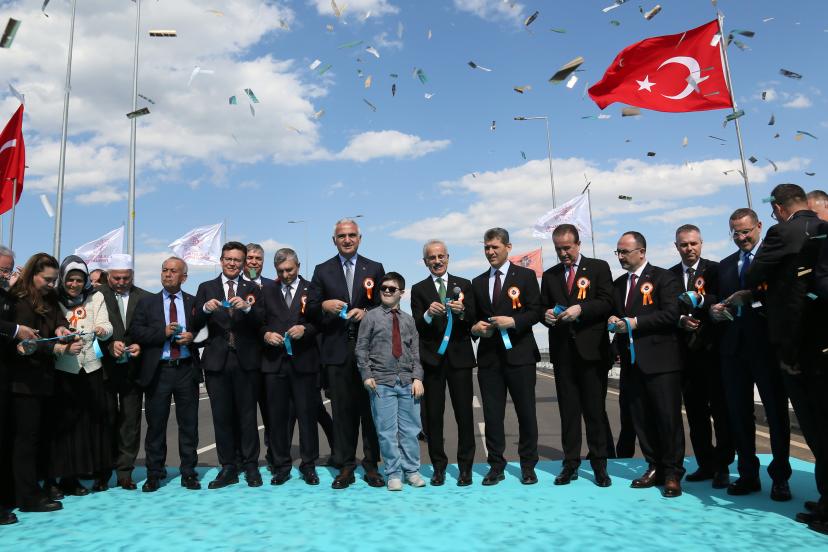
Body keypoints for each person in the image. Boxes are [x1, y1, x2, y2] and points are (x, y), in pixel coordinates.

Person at [745, 184, 828, 526]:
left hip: (797, 345)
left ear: (779, 208)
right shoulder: (822, 230)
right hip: (821, 340)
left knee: (816, 428)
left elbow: (754, 274)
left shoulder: (782, 232)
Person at [709, 207, 792, 501]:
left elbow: (785, 296)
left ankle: (780, 478)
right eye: (735, 233)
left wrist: (755, 298)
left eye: (745, 231)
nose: (741, 237)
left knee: (776, 415)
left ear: (759, 226)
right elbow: (718, 299)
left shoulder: (775, 259)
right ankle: (748, 474)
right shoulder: (725, 266)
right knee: (739, 415)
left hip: (767, 349)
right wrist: (715, 310)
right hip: (733, 351)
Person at [306, 218, 384, 489]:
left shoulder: (374, 268)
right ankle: (346, 465)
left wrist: (367, 311)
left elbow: (385, 303)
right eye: (342, 236)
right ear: (334, 240)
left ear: (359, 238)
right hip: (336, 351)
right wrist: (324, 305)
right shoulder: (322, 270)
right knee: (342, 413)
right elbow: (310, 308)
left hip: (369, 352)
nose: (347, 240)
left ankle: (372, 465)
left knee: (370, 412)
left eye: (352, 235)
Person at [608, 231, 685, 498]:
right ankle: (654, 466)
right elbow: (619, 316)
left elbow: (671, 314)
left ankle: (673, 472)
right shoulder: (619, 285)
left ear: (641, 252)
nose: (620, 256)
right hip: (632, 364)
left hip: (661, 362)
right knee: (641, 419)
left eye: (625, 252)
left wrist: (636, 323)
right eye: (618, 252)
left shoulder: (664, 278)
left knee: (668, 419)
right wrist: (614, 322)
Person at [540, 224, 613, 487]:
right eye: (558, 249)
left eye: (567, 248)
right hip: (563, 355)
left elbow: (607, 302)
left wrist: (581, 309)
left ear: (578, 244)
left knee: (595, 412)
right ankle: (570, 463)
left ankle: (599, 465)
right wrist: (546, 316)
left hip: (592, 353)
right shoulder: (550, 275)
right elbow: (542, 308)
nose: (563, 254)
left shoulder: (598, 267)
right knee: (568, 414)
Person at [470, 228, 542, 486]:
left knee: (526, 413)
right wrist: (475, 328)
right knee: (492, 416)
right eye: (487, 248)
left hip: (520, 356)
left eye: (495, 247)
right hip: (490, 360)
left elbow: (536, 311)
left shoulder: (525, 276)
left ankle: (528, 466)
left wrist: (513, 321)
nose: (490, 252)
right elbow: (472, 318)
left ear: (508, 247)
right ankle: (496, 466)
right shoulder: (477, 282)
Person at [193, 242, 264, 489]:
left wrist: (248, 308)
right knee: (221, 417)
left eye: (237, 260)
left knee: (247, 416)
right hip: (217, 361)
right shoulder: (206, 288)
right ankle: (228, 467)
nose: (232, 263)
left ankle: (251, 465)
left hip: (246, 360)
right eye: (228, 259)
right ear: (221, 260)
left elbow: (262, 321)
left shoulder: (253, 288)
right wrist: (204, 309)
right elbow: (195, 324)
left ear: (243, 263)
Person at [129, 257, 203, 492]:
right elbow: (136, 332)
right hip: (159, 371)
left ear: (184, 277)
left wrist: (193, 337)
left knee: (189, 425)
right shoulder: (147, 303)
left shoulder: (193, 302)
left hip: (186, 369)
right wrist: (162, 332)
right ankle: (154, 473)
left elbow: (207, 330)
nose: (167, 274)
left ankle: (189, 472)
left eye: (173, 271)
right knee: (156, 425)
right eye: (164, 270)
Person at [669, 225, 733, 488]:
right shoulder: (669, 276)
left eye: (693, 243)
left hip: (713, 354)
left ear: (701, 243)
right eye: (684, 244)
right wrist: (680, 320)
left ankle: (723, 466)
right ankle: (705, 464)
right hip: (685, 357)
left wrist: (701, 301)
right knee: (695, 416)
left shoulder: (715, 270)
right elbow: (667, 308)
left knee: (721, 413)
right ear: (676, 247)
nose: (689, 249)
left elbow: (723, 299)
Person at [410, 239, 476, 487]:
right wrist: (428, 314)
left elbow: (473, 319)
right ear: (425, 261)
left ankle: (466, 468)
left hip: (460, 359)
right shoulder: (418, 289)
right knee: (433, 417)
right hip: (432, 361)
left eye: (441, 256)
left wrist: (462, 311)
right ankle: (439, 467)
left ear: (448, 257)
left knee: (464, 415)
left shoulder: (465, 285)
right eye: (432, 258)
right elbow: (417, 325)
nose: (437, 261)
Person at [8, 253, 71, 512]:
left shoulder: (50, 297)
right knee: (25, 441)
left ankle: (35, 487)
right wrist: (54, 348)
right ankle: (27, 496)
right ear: (33, 274)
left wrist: (61, 329)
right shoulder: (18, 299)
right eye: (47, 279)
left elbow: (57, 320)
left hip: (44, 378)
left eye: (54, 280)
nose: (51, 284)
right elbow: (25, 343)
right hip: (23, 382)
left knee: (40, 438)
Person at [49, 256, 113, 496]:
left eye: (79, 280)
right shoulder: (54, 299)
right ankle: (61, 476)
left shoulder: (95, 297)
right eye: (70, 279)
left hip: (91, 368)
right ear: (62, 278)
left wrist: (102, 330)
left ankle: (80, 474)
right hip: (64, 369)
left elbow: (107, 325)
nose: (74, 284)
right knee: (64, 425)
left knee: (88, 424)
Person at [357, 272, 426, 491]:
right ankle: (393, 473)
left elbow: (415, 352)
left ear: (401, 293)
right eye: (383, 288)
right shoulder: (371, 317)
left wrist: (417, 378)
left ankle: (412, 471)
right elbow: (361, 348)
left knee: (410, 430)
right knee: (386, 432)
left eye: (392, 289)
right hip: (381, 382)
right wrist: (367, 375)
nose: (387, 291)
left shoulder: (409, 320)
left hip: (407, 382)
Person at [260, 248, 321, 486]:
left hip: (304, 363)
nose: (285, 275)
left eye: (289, 270)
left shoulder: (312, 289)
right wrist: (266, 334)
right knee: (277, 419)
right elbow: (258, 322)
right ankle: (281, 466)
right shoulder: (266, 290)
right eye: (280, 271)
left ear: (298, 266)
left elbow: (321, 322)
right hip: (275, 365)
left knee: (307, 418)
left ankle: (309, 465)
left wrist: (306, 329)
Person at [98, 253, 149, 490]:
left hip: (133, 371)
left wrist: (141, 346)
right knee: (105, 421)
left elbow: (151, 330)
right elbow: (88, 330)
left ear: (132, 275)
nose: (121, 282)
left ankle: (125, 472)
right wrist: (108, 346)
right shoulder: (96, 296)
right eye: (116, 278)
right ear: (108, 276)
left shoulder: (145, 298)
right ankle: (101, 472)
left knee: (130, 423)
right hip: (104, 370)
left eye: (125, 278)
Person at [0, 246, 37, 525]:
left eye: (9, 269)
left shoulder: (6, 295)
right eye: (2, 269)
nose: (6, 274)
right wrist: (16, 331)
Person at [241, 242, 274, 471]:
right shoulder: (236, 287)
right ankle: (246, 458)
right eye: (250, 258)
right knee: (246, 413)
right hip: (244, 360)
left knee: (272, 411)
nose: (253, 262)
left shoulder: (272, 286)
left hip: (270, 358)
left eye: (258, 258)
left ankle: (274, 454)